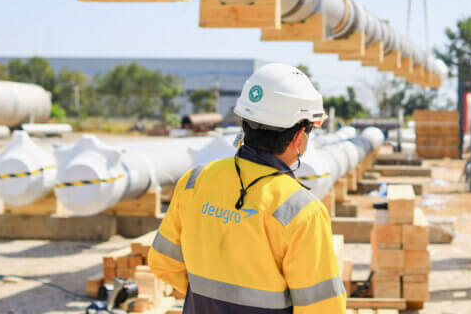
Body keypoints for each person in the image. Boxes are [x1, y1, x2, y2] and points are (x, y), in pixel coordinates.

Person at [148, 63, 346, 313]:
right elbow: (322, 308)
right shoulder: (301, 211)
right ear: (298, 137)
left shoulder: (194, 182)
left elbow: (163, 263)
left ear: (244, 122)